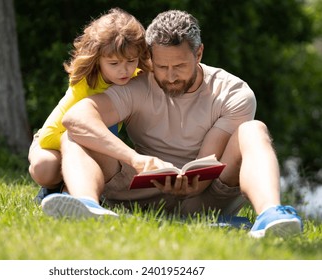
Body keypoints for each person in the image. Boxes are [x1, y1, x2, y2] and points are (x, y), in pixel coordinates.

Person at [41, 10, 303, 238]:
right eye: (161, 66)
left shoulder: (233, 93)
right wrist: (135, 159)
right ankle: (88, 206)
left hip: (205, 197)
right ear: (150, 57)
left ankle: (270, 215)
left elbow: (205, 166)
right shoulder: (137, 84)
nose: (170, 76)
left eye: (179, 65)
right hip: (141, 189)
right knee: (74, 134)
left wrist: (187, 179)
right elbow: (75, 118)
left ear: (199, 53)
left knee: (253, 129)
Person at [28, 8, 151, 204]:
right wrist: (85, 145)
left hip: (90, 145)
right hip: (55, 139)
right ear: (97, 59)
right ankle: (51, 190)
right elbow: (49, 137)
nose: (124, 70)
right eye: (114, 63)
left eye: (131, 61)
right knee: (45, 167)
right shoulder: (86, 83)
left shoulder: (136, 79)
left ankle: (71, 197)